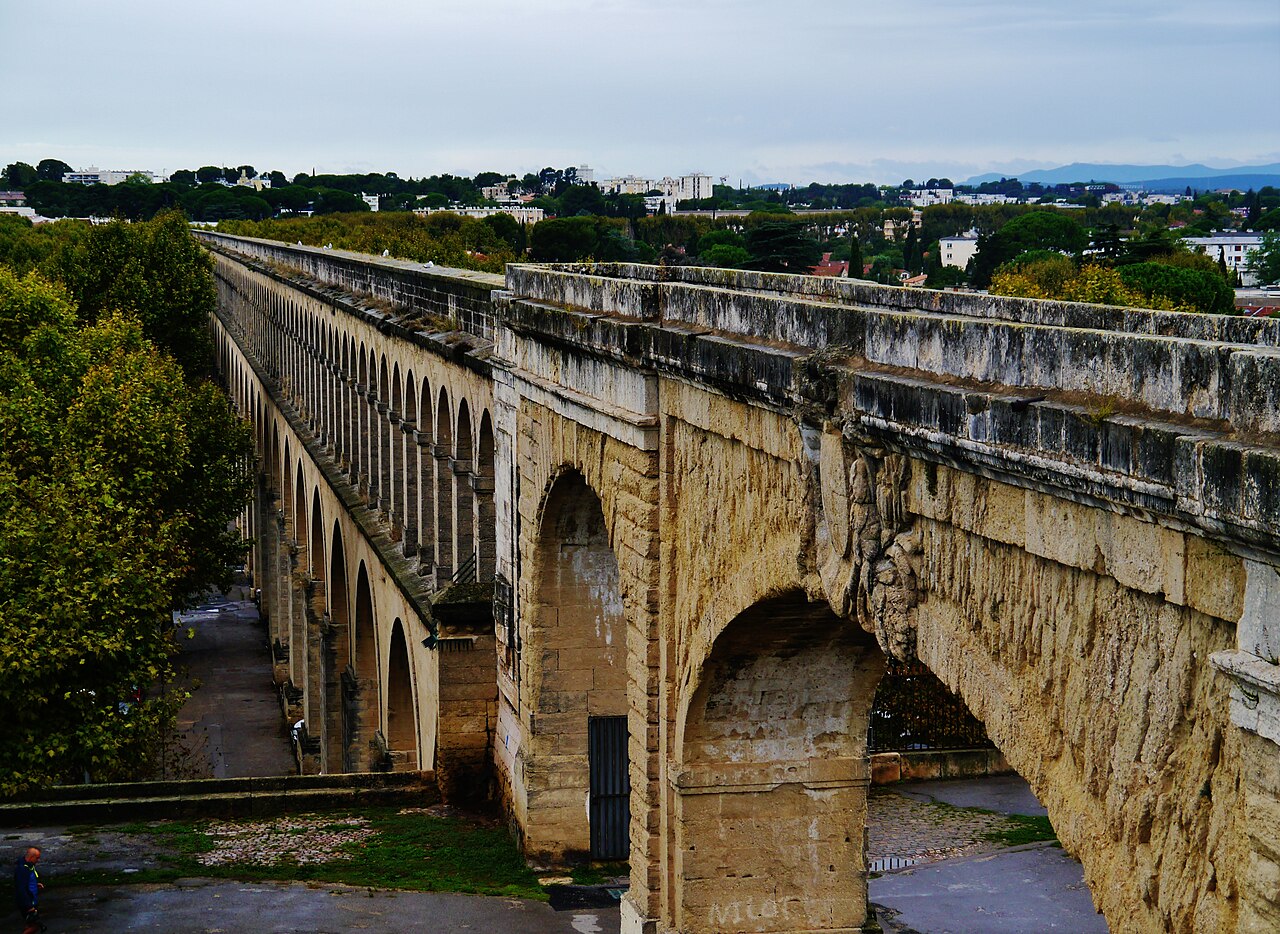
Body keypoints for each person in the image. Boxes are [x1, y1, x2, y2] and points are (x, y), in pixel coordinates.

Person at [12, 847, 44, 934]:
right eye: (37, 858)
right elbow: (21, 889)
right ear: (31, 857)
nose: (38, 860)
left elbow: (26, 882)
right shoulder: (22, 869)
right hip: (27, 903)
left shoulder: (28, 866)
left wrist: (35, 885)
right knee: (35, 926)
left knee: (29, 924)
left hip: (31, 901)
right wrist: (29, 907)